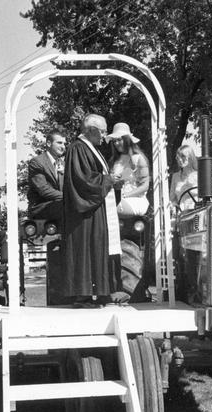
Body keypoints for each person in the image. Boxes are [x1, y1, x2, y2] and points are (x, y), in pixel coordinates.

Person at [62, 113, 128, 308]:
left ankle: (102, 292)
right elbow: (83, 180)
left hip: (97, 211)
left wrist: (111, 181)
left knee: (99, 249)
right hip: (84, 216)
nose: (104, 135)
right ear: (90, 130)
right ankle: (82, 296)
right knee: (86, 250)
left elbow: (95, 176)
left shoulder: (91, 149)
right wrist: (108, 180)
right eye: (102, 131)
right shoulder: (78, 149)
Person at [106, 122, 150, 217]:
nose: (116, 143)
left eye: (119, 140)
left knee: (108, 208)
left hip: (135, 200)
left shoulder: (138, 158)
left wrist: (125, 195)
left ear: (127, 140)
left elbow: (145, 186)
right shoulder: (113, 161)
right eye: (114, 141)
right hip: (116, 199)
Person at [27, 130, 66, 221]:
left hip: (60, 204)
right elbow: (44, 190)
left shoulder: (64, 164)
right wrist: (68, 197)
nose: (63, 147)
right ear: (49, 143)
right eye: (59, 143)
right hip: (41, 207)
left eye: (64, 144)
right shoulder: (37, 162)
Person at [169, 144, 198, 212]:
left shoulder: (199, 176)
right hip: (181, 215)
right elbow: (172, 199)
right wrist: (173, 206)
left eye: (183, 156)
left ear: (191, 157)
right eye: (178, 157)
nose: (180, 160)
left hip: (197, 213)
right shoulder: (175, 176)